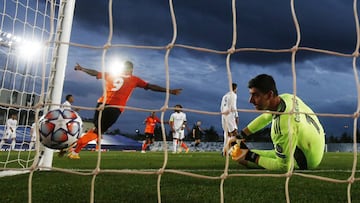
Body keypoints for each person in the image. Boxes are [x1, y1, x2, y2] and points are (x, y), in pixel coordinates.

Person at [67, 61, 182, 159]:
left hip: (100, 104)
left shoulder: (111, 74)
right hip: (114, 108)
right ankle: (72, 145)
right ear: (131, 70)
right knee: (98, 132)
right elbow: (151, 87)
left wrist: (82, 69)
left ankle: (75, 152)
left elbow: (95, 73)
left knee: (96, 129)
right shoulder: (134, 79)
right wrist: (170, 91)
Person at [229, 74, 325, 171]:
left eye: (256, 95)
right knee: (245, 152)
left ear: (270, 95)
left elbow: (283, 167)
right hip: (316, 143)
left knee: (244, 157)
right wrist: (240, 136)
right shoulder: (287, 98)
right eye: (251, 95)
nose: (250, 100)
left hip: (306, 160)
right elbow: (266, 116)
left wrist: (250, 157)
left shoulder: (282, 127)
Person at [220, 83, 239, 156]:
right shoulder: (233, 95)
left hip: (223, 115)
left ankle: (225, 151)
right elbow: (233, 106)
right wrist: (236, 115)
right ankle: (232, 151)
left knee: (226, 134)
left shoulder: (225, 96)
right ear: (235, 88)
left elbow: (221, 107)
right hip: (230, 114)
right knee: (234, 133)